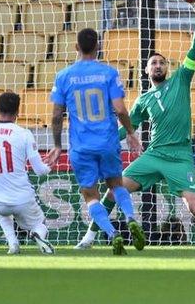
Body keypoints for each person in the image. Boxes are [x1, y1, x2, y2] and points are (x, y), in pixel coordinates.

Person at [75, 0, 195, 250]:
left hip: (179, 156)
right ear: (146, 70)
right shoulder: (143, 100)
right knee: (113, 190)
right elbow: (127, 127)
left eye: (162, 62)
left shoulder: (180, 80)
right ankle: (89, 237)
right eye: (153, 62)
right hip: (153, 155)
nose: (157, 65)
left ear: (168, 68)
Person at [46, 28, 145, 255]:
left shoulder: (64, 76)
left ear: (76, 48)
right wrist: (130, 132)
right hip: (108, 141)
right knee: (116, 185)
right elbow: (120, 108)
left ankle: (112, 233)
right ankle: (130, 217)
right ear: (98, 47)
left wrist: (57, 144)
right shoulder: (108, 73)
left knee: (90, 195)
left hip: (81, 147)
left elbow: (55, 115)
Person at [0, 92, 54, 255]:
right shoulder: (24, 134)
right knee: (39, 223)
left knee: (2, 212)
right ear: (18, 112)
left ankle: (13, 244)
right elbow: (40, 171)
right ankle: (37, 235)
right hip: (22, 198)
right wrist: (51, 165)